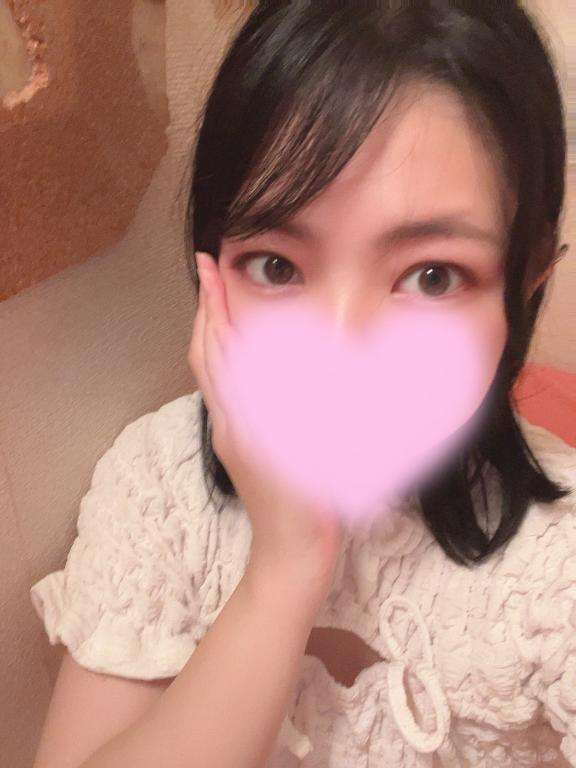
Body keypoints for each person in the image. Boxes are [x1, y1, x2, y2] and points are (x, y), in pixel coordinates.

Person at [30, 2, 576, 767]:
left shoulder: (559, 566)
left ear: (526, 280)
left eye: (431, 275)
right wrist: (283, 571)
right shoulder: (160, 488)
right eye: (278, 266)